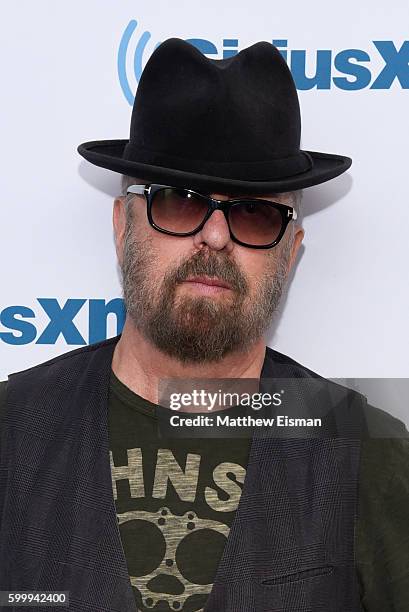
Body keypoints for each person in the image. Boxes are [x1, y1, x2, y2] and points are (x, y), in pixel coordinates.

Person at [0, 38, 408, 612]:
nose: (214, 236)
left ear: (290, 252)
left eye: (254, 212)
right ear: (123, 226)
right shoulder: (12, 431)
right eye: (178, 202)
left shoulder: (373, 457)